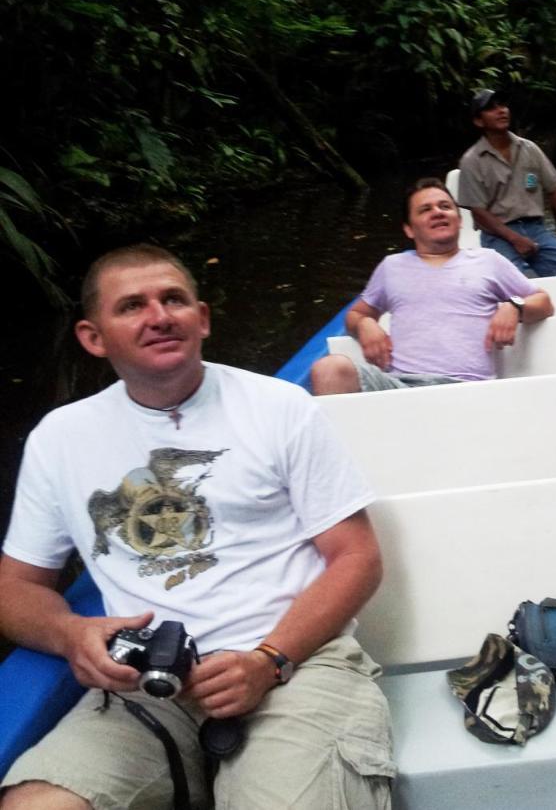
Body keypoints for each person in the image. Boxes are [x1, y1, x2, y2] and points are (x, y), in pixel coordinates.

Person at [0, 245, 395, 809]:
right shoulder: (59, 439)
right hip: (143, 680)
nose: (159, 316)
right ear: (93, 337)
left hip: (296, 664)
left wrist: (267, 660)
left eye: (174, 299)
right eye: (132, 306)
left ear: (202, 319)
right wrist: (70, 636)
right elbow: (15, 589)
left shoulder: (281, 408)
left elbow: (358, 557)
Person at [309, 177, 554, 395]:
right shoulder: (391, 267)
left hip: (469, 388)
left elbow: (544, 302)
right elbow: (357, 313)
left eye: (445, 207)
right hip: (400, 387)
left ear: (459, 221)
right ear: (409, 229)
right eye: (425, 210)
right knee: (328, 368)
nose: (437, 212)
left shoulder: (488, 261)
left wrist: (514, 307)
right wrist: (365, 323)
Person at [456, 89, 556, 278]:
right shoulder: (471, 161)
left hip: (535, 228)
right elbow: (479, 213)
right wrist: (515, 239)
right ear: (479, 121)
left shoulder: (530, 149)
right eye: (491, 108)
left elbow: (555, 190)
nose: (501, 111)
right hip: (498, 235)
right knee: (511, 282)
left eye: (502, 106)